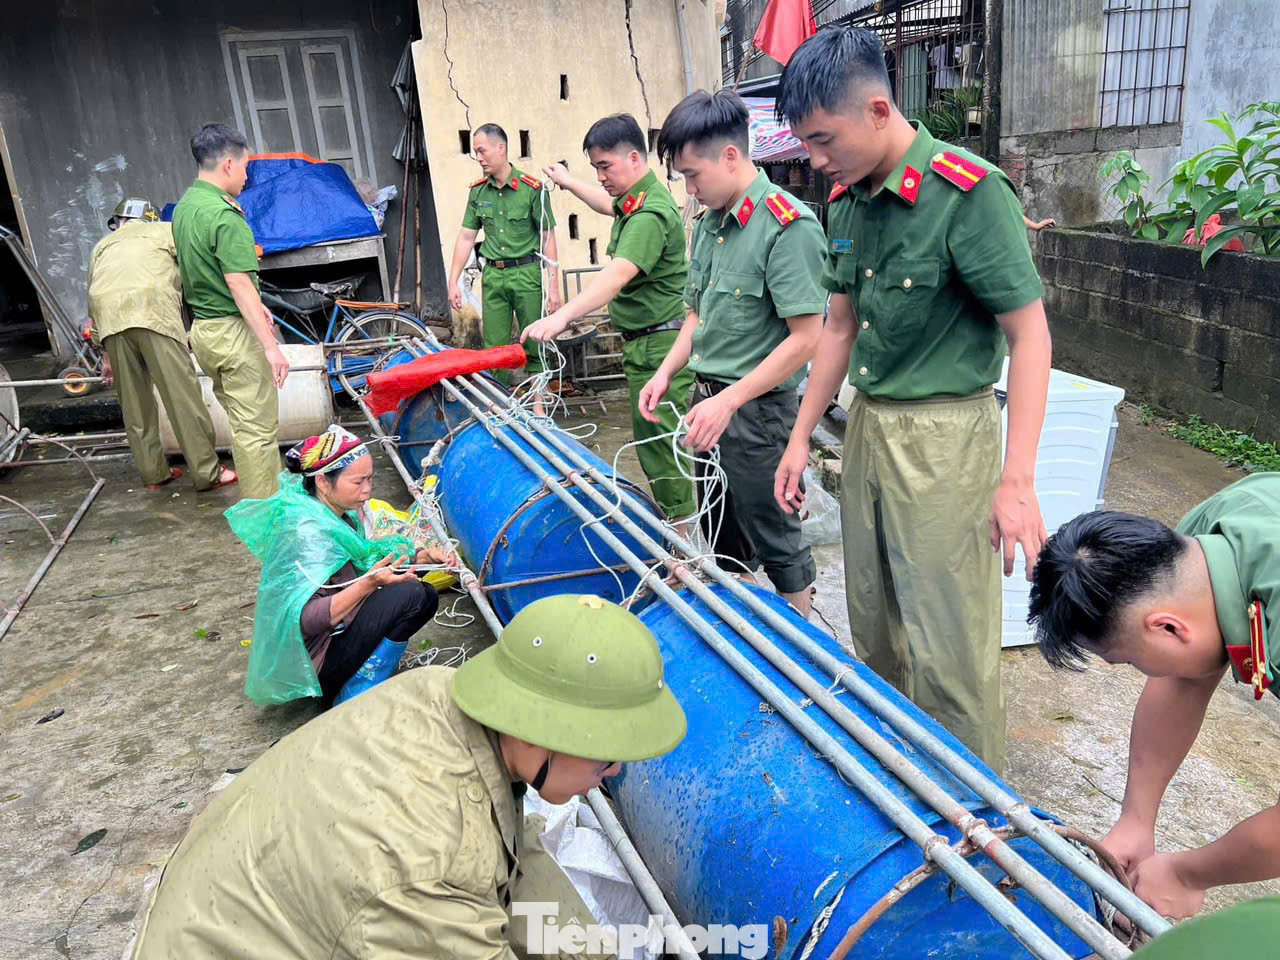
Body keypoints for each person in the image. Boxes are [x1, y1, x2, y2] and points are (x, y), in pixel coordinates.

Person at [773, 26, 1052, 771]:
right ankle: (903, 788)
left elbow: (1031, 337)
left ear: (876, 108)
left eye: (824, 140)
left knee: (949, 646)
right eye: (806, 145)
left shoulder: (968, 193)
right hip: (869, 427)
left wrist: (1017, 481)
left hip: (947, 438)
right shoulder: (847, 204)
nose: (816, 160)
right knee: (876, 624)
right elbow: (838, 328)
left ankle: (974, 821)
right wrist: (801, 436)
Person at [126, 593, 687, 959]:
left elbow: (518, 856)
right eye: (606, 758)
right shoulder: (425, 867)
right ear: (540, 733)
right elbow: (445, 881)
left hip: (232, 900)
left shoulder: (443, 695)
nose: (611, 776)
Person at [1027, 473, 1280, 919]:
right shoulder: (1212, 532)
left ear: (1167, 627)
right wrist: (1136, 819)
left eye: (1130, 662)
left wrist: (1188, 874)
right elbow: (1182, 677)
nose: (1143, 672)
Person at [638, 90, 826, 616]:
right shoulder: (711, 226)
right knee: (721, 533)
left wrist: (730, 402)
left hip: (759, 415)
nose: (691, 190)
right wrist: (666, 370)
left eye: (694, 176)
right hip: (709, 405)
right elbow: (696, 315)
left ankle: (802, 659)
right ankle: (744, 632)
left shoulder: (786, 226)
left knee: (778, 537)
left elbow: (807, 338)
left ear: (730, 156)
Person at [522, 113, 696, 528]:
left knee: (661, 444)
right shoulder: (636, 202)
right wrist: (568, 181)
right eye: (596, 168)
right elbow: (607, 205)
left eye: (605, 166)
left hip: (661, 346)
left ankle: (687, 548)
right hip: (649, 342)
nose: (600, 177)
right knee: (656, 441)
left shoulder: (650, 215)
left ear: (634, 158)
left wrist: (561, 317)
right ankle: (682, 536)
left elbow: (618, 273)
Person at [225, 425, 451, 706]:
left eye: (370, 479)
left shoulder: (331, 514)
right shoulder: (307, 533)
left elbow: (364, 561)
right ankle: (348, 694)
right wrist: (369, 583)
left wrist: (421, 559)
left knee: (418, 591)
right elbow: (306, 619)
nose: (367, 490)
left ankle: (358, 678)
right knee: (417, 596)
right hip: (313, 665)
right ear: (322, 481)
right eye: (358, 482)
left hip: (333, 635)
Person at [172, 122, 290, 500]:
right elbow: (239, 283)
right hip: (234, 335)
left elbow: (204, 274)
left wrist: (259, 311)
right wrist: (270, 345)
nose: (246, 175)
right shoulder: (225, 216)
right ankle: (267, 515)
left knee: (244, 426)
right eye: (244, 166)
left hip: (205, 332)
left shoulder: (186, 208)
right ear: (227, 164)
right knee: (257, 432)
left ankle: (274, 496)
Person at [87, 197, 236, 492]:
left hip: (111, 324)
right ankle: (208, 473)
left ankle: (153, 475)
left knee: (135, 405)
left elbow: (94, 294)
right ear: (150, 218)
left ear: (119, 221)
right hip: (154, 314)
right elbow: (196, 271)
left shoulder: (103, 245)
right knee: (182, 397)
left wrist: (105, 354)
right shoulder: (167, 231)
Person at [447, 123, 562, 399]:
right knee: (494, 348)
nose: (479, 157)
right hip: (494, 277)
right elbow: (465, 237)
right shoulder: (478, 192)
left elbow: (548, 238)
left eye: (482, 150)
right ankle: (497, 403)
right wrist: (454, 281)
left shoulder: (532, 189)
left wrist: (554, 285)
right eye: (476, 152)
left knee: (535, 340)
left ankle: (539, 403)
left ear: (501, 148)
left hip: (527, 273)